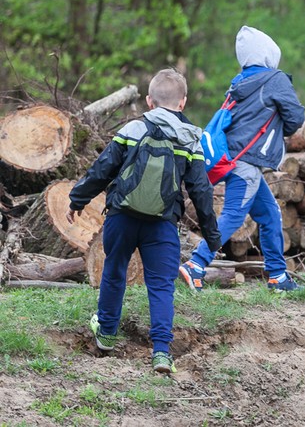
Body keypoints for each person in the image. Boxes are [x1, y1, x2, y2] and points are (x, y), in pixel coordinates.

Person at [67, 69, 221, 374]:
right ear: (183, 102)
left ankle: (106, 334)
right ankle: (161, 352)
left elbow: (102, 168)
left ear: (149, 100)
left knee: (114, 271)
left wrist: (77, 199)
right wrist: (211, 234)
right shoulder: (190, 138)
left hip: (122, 217)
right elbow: (201, 190)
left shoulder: (133, 128)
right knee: (161, 285)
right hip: (162, 223)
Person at [180, 25, 305, 292]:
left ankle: (278, 276)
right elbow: (295, 118)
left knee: (269, 214)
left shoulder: (238, 82)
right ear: (269, 53)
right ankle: (196, 264)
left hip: (235, 159)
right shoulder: (275, 79)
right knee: (234, 215)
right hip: (245, 163)